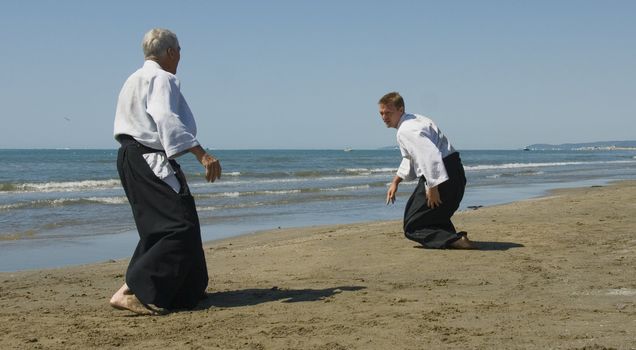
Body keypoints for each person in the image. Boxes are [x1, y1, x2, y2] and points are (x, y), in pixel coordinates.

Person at [110, 28, 222, 315]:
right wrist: (202, 154)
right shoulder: (161, 77)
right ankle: (132, 290)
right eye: (180, 50)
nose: (181, 56)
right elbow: (165, 117)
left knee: (166, 224)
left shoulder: (133, 78)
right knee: (178, 225)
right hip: (148, 157)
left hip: (131, 157)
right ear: (171, 52)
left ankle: (187, 291)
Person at [379, 92, 475, 249]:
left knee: (412, 226)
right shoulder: (416, 119)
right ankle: (453, 238)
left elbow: (428, 155)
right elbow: (411, 158)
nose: (384, 117)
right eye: (381, 113)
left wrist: (433, 186)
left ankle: (456, 241)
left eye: (388, 112)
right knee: (431, 215)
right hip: (454, 172)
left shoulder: (406, 130)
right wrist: (395, 182)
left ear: (400, 109)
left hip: (442, 175)